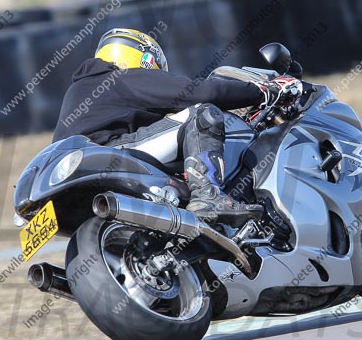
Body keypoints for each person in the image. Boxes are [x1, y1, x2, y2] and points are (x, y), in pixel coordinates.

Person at [52, 28, 300, 224]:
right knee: (201, 114)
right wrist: (261, 92)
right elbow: (201, 92)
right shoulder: (120, 77)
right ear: (144, 58)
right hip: (111, 153)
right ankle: (207, 196)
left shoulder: (81, 90)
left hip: (69, 180)